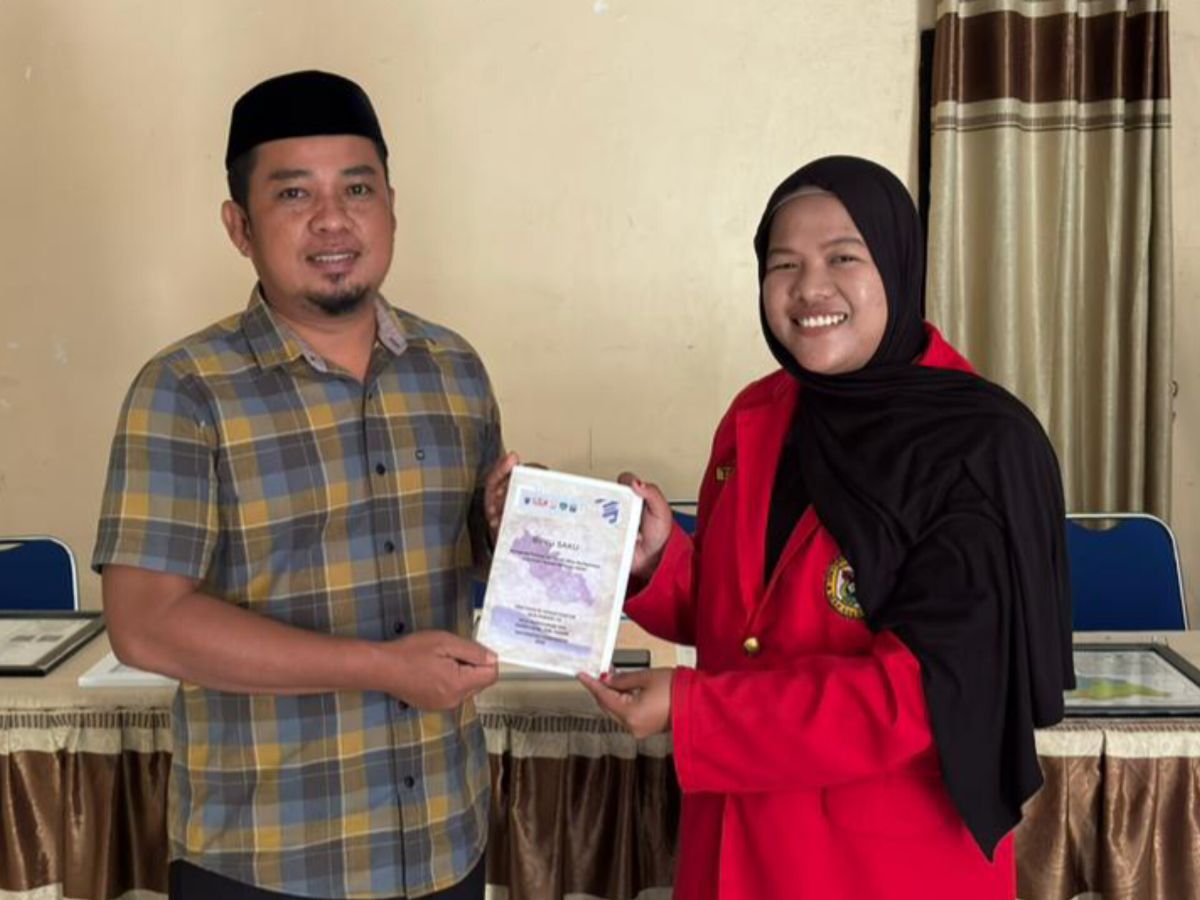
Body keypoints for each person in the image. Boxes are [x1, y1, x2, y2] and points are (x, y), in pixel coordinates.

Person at [575, 156, 1074, 899]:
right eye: (784, 264)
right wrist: (656, 562)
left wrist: (693, 709)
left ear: (898, 266)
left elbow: (919, 696)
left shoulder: (976, 448)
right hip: (737, 849)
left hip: (879, 866)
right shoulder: (759, 414)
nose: (810, 288)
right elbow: (741, 621)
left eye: (843, 257)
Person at [94, 71, 503, 900]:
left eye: (357, 187)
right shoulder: (185, 390)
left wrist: (512, 533)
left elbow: (475, 570)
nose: (332, 219)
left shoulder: (453, 369)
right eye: (293, 194)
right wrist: (381, 667)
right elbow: (146, 626)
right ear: (239, 227)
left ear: (391, 206)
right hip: (269, 860)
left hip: (443, 841)